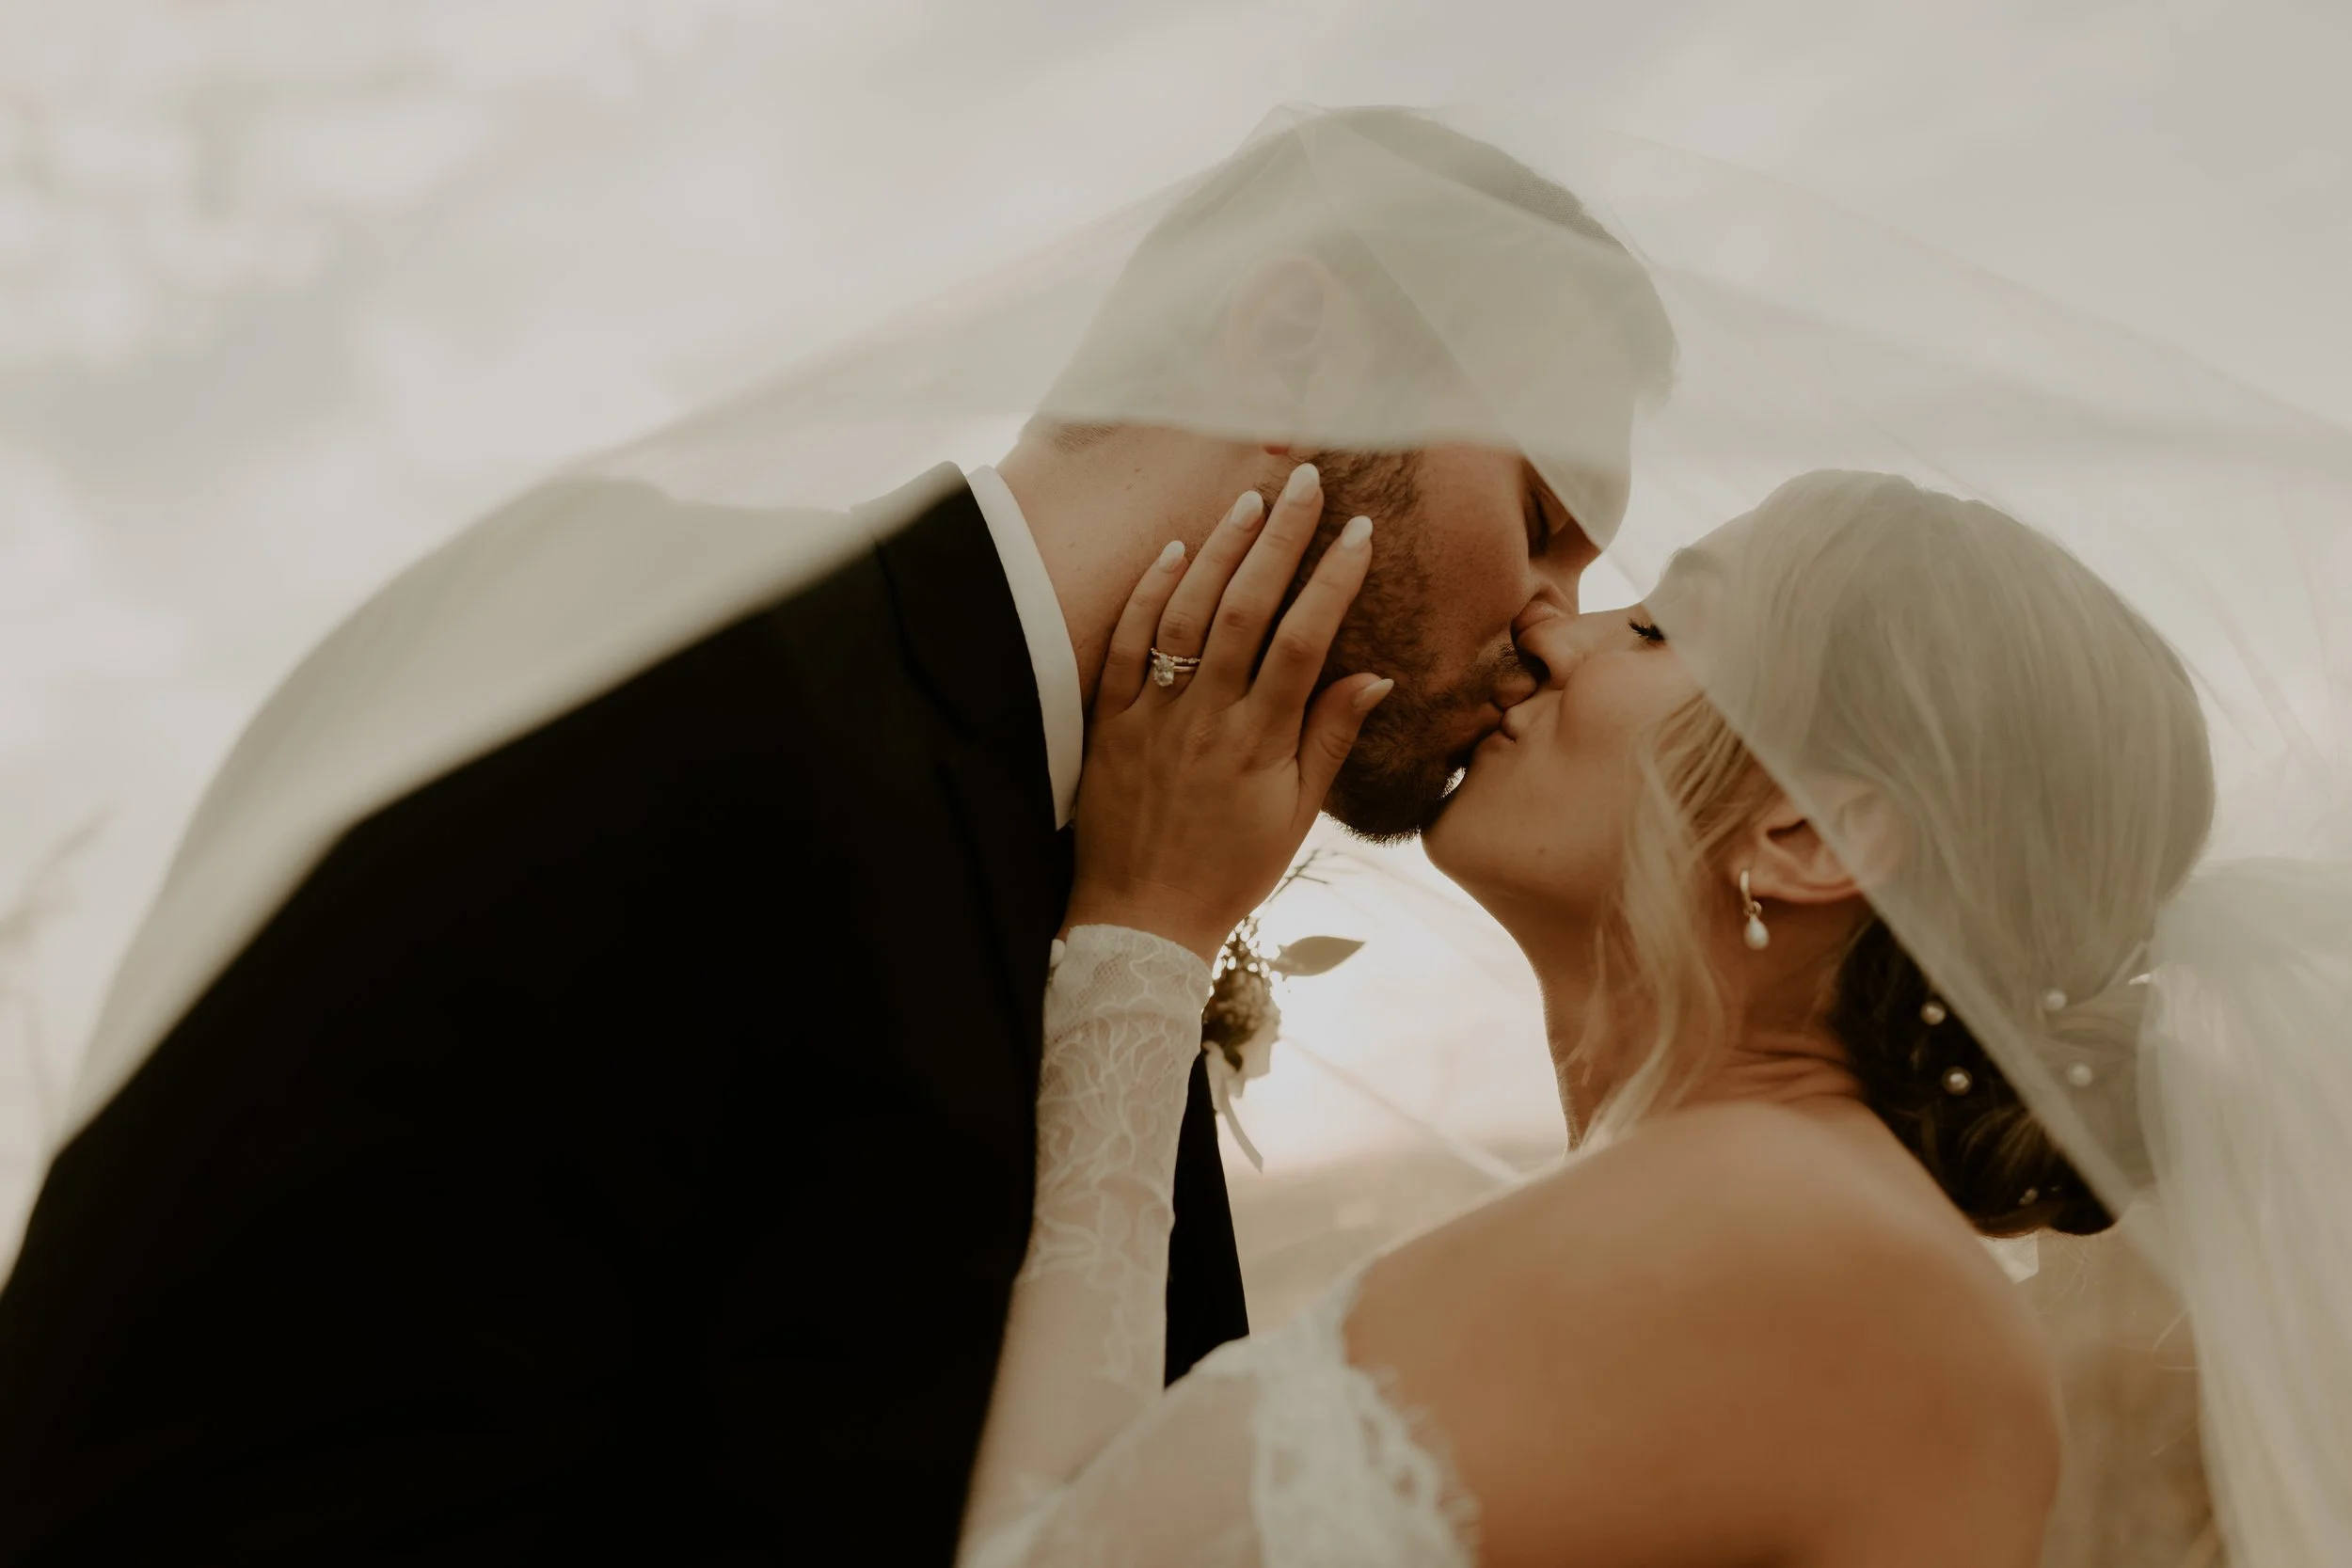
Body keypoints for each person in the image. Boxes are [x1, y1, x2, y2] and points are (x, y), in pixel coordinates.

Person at [0, 111, 1669, 1561]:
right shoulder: (655, 639)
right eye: (1540, 520)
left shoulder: (1138, 910)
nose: (1554, 625)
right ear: (1295, 353)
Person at [956, 467, 2215, 1566]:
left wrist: (1143, 928)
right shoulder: (1814, 1230)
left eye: (1659, 627)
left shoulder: (1782, 1231)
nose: (1555, 625)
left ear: (1806, 834)